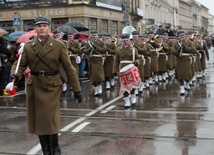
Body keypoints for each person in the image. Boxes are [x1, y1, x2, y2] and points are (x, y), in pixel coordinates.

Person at [8, 16, 82, 154]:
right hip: (35, 86)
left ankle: (55, 149)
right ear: (35, 28)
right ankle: (46, 150)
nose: (41, 28)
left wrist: (77, 89)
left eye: (44, 26)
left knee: (49, 119)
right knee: (39, 121)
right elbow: (20, 65)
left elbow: (69, 68)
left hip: (51, 86)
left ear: (49, 28)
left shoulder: (58, 45)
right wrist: (15, 75)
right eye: (39, 26)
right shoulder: (29, 47)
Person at [113, 34, 140, 108]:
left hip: (130, 68)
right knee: (124, 85)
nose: (125, 42)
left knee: (132, 84)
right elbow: (116, 61)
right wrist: (114, 71)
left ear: (129, 40)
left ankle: (133, 96)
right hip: (122, 69)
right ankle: (127, 101)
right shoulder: (118, 49)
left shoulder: (133, 49)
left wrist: (136, 62)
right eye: (124, 41)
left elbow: (138, 58)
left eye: (127, 40)